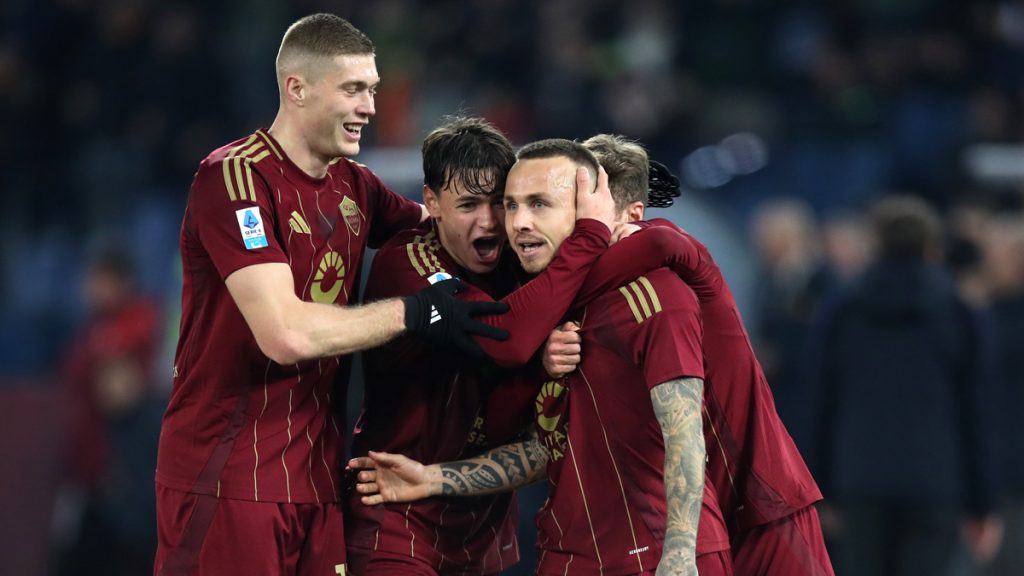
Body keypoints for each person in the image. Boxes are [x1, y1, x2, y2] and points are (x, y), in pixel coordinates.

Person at [153, 14, 509, 575]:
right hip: (228, 477)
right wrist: (417, 312)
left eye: (372, 89)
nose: (370, 106)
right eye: (353, 89)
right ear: (297, 88)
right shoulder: (233, 179)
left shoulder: (355, 185)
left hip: (319, 483)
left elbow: (448, 228)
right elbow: (285, 334)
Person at [351, 139, 710, 575]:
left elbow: (522, 430)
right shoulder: (410, 263)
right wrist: (612, 236)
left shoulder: (542, 273)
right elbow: (509, 344)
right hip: (396, 509)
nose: (492, 222)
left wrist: (661, 238)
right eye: (469, 205)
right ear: (432, 202)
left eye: (499, 203)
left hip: (486, 526)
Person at [808, 195, 999, 576]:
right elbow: (977, 410)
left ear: (876, 244)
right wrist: (982, 503)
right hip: (936, 479)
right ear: (931, 246)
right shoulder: (958, 311)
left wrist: (817, 488)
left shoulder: (843, 310)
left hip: (859, 477)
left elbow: (820, 402)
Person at [55, 247, 163, 576]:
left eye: (99, 279)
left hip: (130, 465)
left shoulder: (142, 319)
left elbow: (121, 393)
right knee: (70, 553)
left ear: (121, 281)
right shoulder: (89, 330)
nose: (90, 287)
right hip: (87, 466)